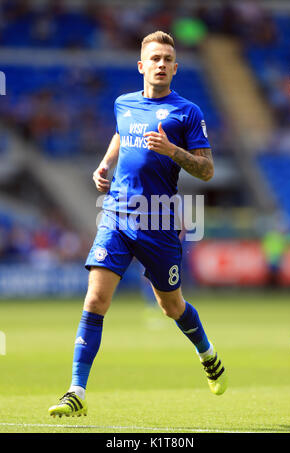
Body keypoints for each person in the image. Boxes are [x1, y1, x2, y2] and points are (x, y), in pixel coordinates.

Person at [48, 31, 227, 418]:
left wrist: (173, 150)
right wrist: (105, 163)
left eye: (168, 59)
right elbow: (120, 132)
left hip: (159, 221)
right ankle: (76, 390)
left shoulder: (188, 112)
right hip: (116, 213)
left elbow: (208, 170)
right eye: (155, 58)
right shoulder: (123, 103)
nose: (161, 64)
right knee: (95, 298)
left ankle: (207, 353)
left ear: (175, 69)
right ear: (141, 66)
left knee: (171, 306)